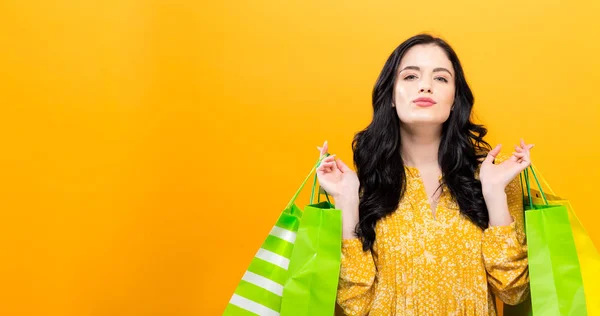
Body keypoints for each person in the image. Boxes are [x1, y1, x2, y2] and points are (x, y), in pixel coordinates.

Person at [315, 33, 531, 315]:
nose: (426, 87)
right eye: (410, 77)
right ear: (390, 95)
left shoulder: (495, 176)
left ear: (455, 99)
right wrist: (346, 201)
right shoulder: (360, 184)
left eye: (441, 78)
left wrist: (493, 193)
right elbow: (355, 304)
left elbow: (512, 292)